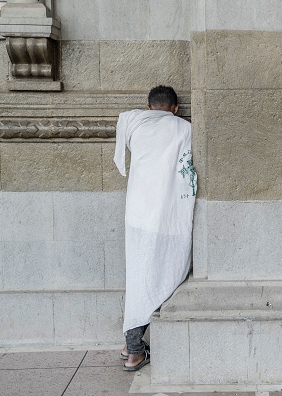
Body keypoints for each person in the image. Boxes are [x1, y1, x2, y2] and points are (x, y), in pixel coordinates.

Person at [114, 85, 196, 371]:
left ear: (150, 107)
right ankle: (135, 351)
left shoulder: (135, 125)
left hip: (136, 216)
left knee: (139, 279)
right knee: (159, 277)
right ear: (175, 108)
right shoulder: (184, 128)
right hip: (166, 217)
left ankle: (130, 344)